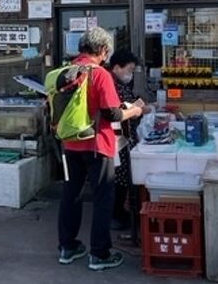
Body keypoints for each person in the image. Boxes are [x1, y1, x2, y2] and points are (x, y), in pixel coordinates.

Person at [57, 27, 144, 271]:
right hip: (98, 145)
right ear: (103, 50)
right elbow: (113, 113)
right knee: (103, 199)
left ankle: (67, 248)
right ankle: (99, 254)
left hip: (69, 144)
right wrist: (135, 111)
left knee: (70, 196)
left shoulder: (66, 71)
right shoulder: (100, 74)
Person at [107, 50, 150, 232]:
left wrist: (142, 106)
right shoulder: (111, 84)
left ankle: (119, 213)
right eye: (129, 70)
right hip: (116, 137)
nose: (130, 74)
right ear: (117, 67)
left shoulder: (118, 82)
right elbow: (121, 109)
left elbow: (130, 102)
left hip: (123, 136)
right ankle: (115, 215)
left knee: (123, 176)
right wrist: (141, 109)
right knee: (119, 177)